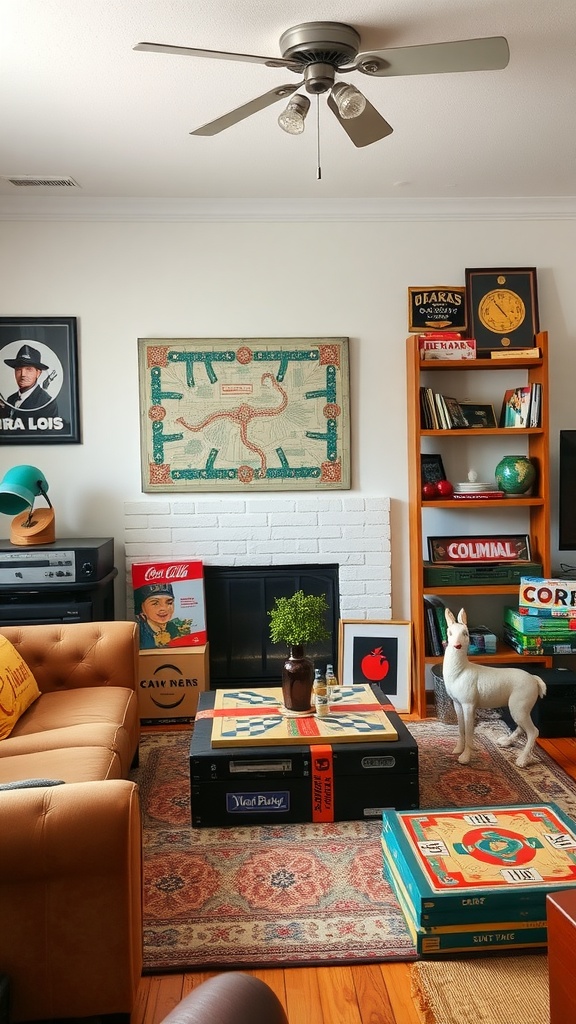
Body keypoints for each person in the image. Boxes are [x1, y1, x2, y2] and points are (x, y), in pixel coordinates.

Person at [2, 343, 58, 418]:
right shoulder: (10, 399)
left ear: (38, 373)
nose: (23, 374)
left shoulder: (47, 403)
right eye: (18, 370)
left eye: (29, 369)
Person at [134, 581, 193, 649]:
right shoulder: (140, 633)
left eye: (169, 603)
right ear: (142, 609)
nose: (163, 608)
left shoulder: (173, 627)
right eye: (155, 603)